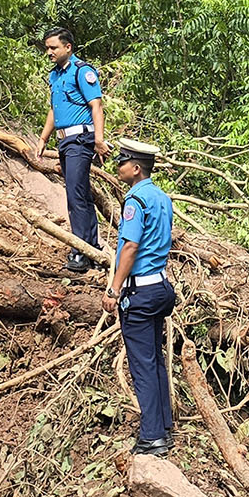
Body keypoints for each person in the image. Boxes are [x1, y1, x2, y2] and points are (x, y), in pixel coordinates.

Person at [101, 140, 176, 455]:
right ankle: (164, 427)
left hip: (140, 291)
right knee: (155, 360)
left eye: (122, 161)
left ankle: (152, 437)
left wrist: (113, 289)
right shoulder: (162, 198)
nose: (118, 166)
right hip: (160, 286)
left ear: (135, 168)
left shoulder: (134, 200)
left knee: (142, 365)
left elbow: (130, 247)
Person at [33, 27, 106, 273]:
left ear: (68, 47)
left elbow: (96, 106)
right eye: (47, 48)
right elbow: (54, 110)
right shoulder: (55, 76)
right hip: (64, 141)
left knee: (76, 196)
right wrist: (43, 138)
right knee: (81, 195)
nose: (49, 52)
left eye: (54, 47)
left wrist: (99, 139)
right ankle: (92, 249)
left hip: (80, 140)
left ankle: (81, 252)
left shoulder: (82, 71)